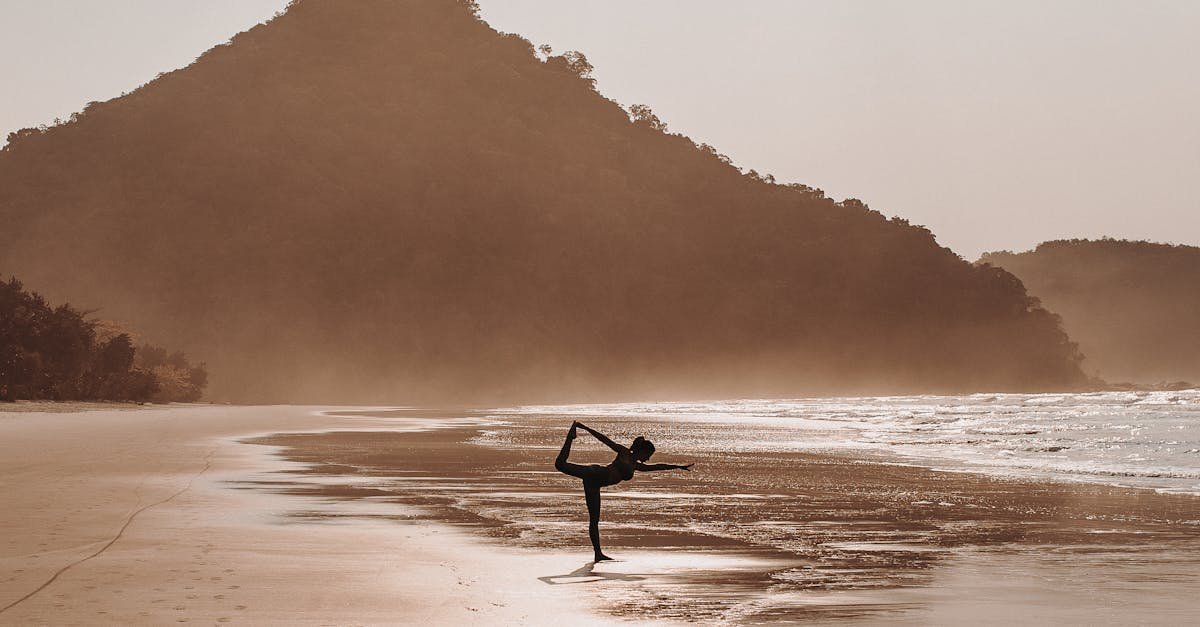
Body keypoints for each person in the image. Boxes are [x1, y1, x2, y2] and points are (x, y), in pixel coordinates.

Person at [554, 420, 693, 561]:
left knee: (594, 520)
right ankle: (571, 436)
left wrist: (678, 467)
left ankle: (598, 554)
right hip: (595, 473)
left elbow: (658, 466)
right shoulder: (623, 452)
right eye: (648, 455)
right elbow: (604, 439)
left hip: (594, 485)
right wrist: (585, 428)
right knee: (560, 464)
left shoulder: (636, 466)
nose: (648, 458)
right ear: (642, 451)